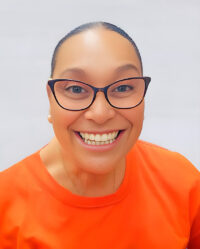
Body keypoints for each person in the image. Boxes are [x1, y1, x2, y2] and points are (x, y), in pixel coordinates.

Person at [0, 22, 199, 249]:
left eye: (123, 88)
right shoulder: (5, 205)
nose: (101, 114)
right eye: (76, 89)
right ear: (51, 98)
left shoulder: (183, 184)